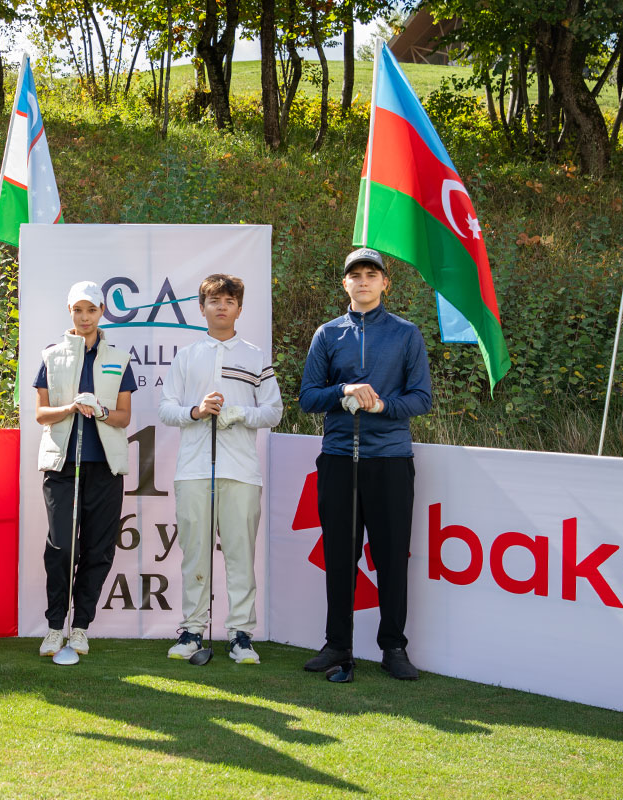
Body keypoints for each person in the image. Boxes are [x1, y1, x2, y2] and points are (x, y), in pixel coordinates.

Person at [298, 248, 432, 680]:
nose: (363, 281)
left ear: (385, 283)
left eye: (371, 274)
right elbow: (307, 397)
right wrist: (344, 391)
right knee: (340, 556)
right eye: (355, 275)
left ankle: (393, 647)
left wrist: (380, 405)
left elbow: (421, 399)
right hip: (339, 458)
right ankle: (337, 644)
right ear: (345, 284)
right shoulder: (327, 334)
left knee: (391, 557)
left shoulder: (406, 333)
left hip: (390, 459)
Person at [158, 274, 282, 664]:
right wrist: (196, 412)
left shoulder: (256, 356)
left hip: (241, 471)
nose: (222, 307)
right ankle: (192, 630)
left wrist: (239, 413)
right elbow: (166, 408)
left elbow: (273, 412)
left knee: (240, 555)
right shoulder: (186, 356)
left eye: (229, 301)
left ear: (239, 309)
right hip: (194, 469)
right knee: (195, 554)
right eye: (214, 301)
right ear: (202, 308)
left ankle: (241, 635)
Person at [34, 281, 136, 657]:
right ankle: (54, 626)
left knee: (97, 549)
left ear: (102, 312)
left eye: (91, 310)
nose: (84, 317)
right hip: (63, 465)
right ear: (70, 312)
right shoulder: (52, 355)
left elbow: (124, 417)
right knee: (62, 547)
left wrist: (101, 410)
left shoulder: (119, 358)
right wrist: (71, 407)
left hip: (104, 467)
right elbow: (41, 413)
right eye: (78, 310)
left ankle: (80, 627)